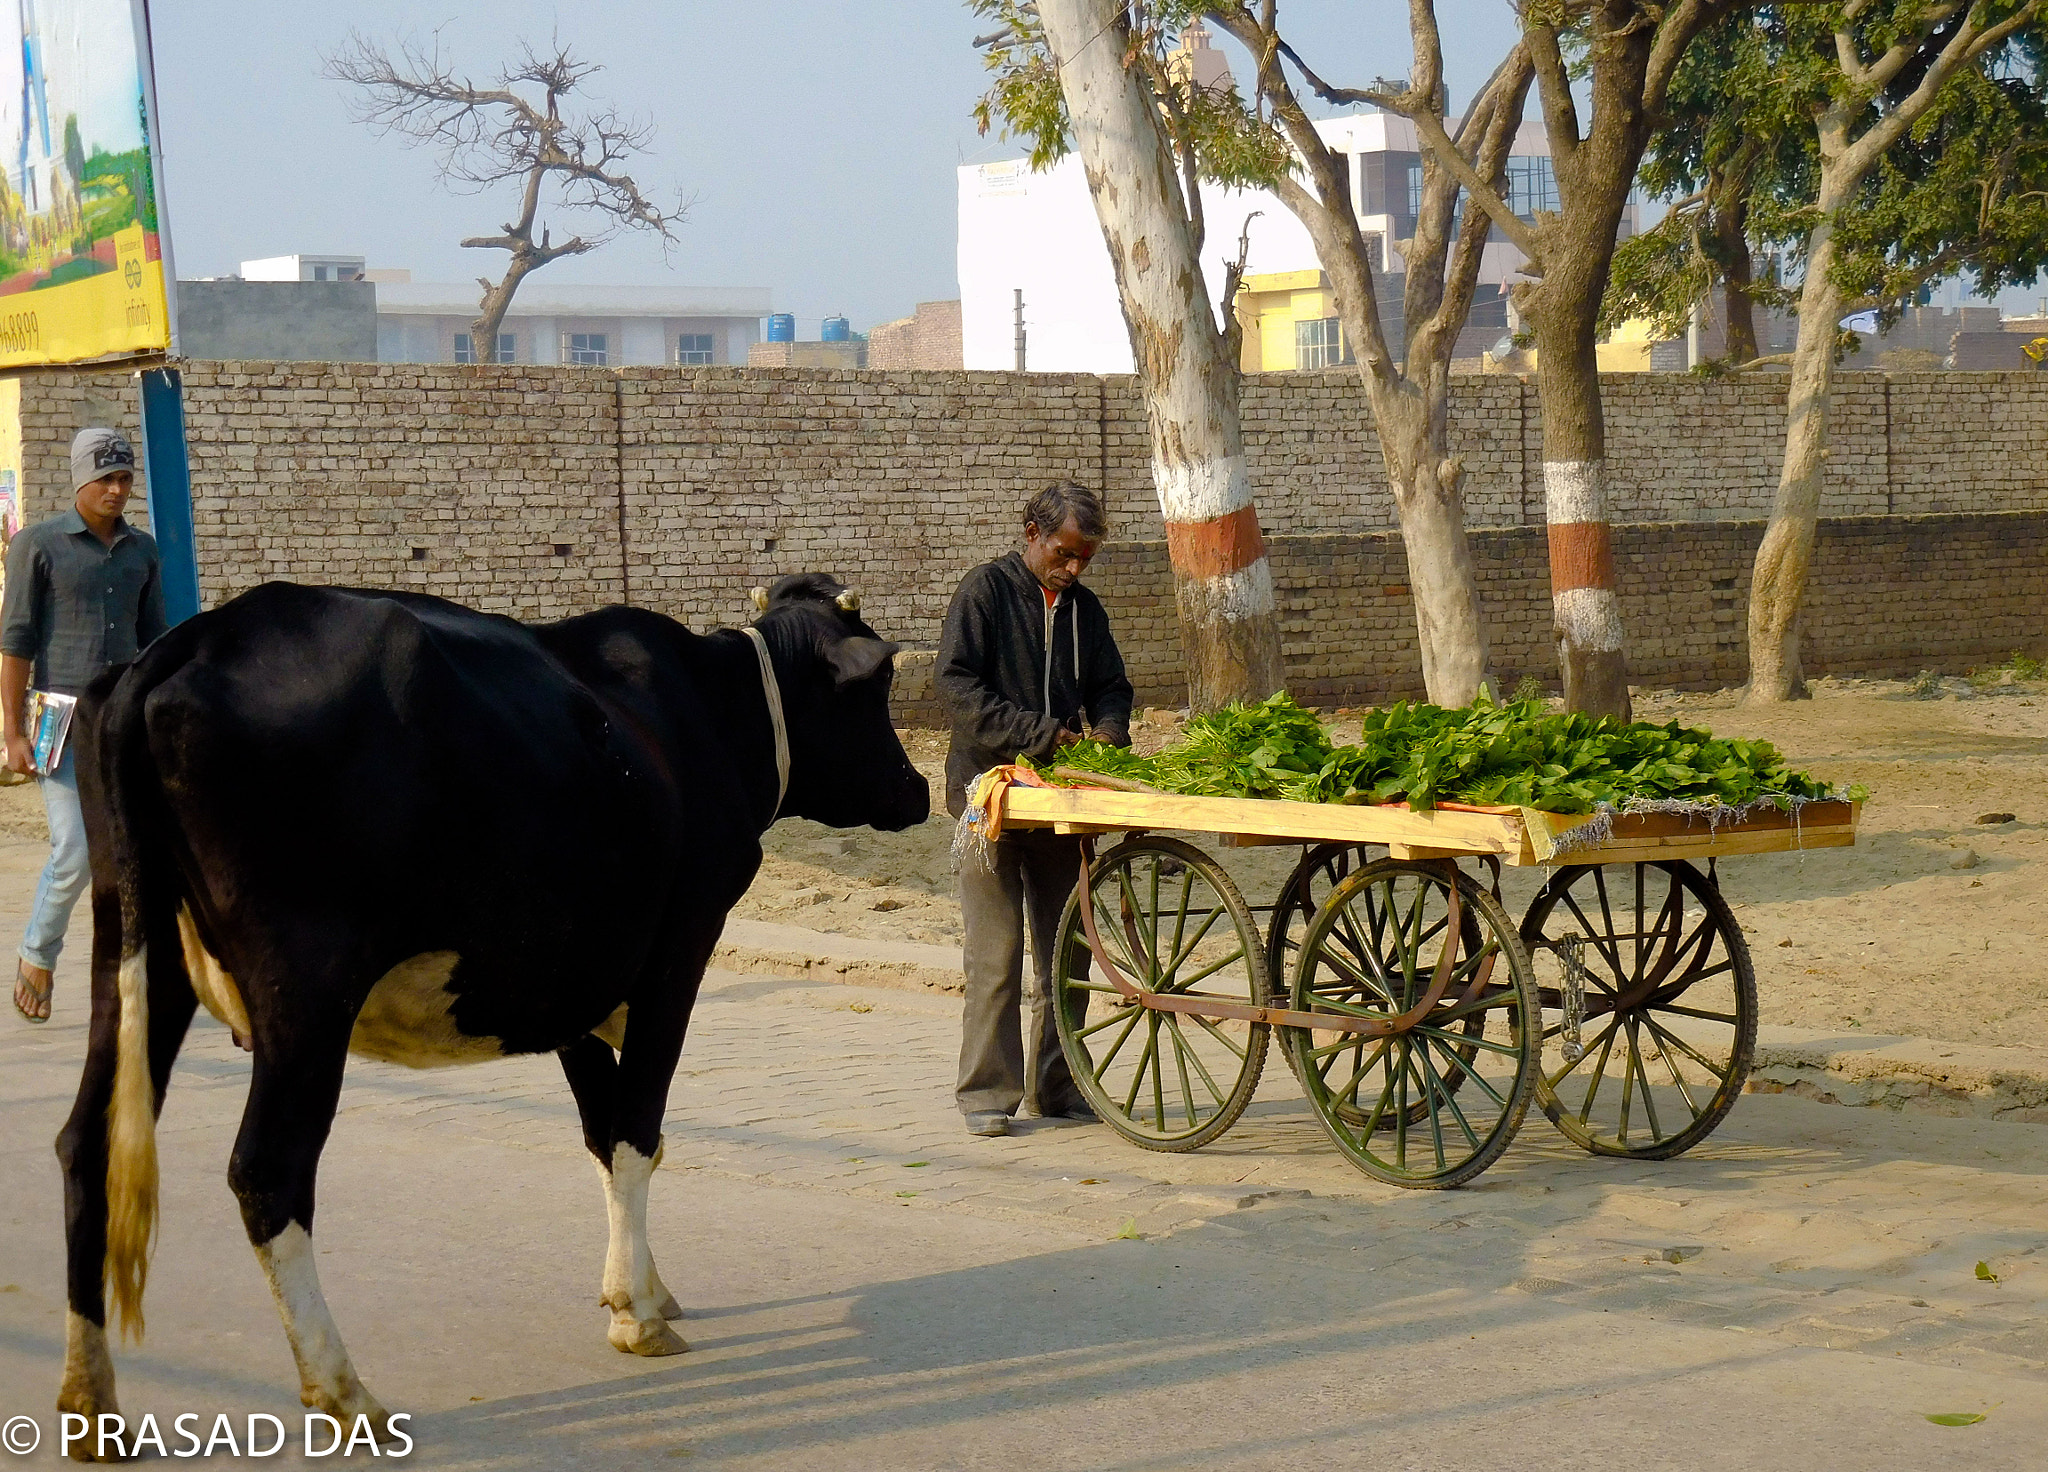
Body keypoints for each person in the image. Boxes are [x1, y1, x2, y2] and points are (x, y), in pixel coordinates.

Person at [938, 480, 1134, 1137]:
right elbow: (958, 688)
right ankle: (986, 1097)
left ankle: (1060, 1087)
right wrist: (1038, 732)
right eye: (1064, 553)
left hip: (1058, 800)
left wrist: (1108, 730)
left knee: (1065, 952)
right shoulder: (984, 592)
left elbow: (1113, 686)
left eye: (1085, 558)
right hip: (988, 795)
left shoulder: (1085, 611)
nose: (1073, 568)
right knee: (997, 954)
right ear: (1032, 535)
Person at [4, 428, 166, 1022]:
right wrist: (12, 732)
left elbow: (155, 643)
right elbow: (15, 641)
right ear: (81, 480)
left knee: (137, 850)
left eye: (125, 478)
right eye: (106, 478)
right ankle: (36, 954)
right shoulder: (39, 546)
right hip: (57, 721)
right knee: (74, 849)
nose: (118, 490)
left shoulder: (143, 550)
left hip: (123, 718)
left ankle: (142, 976)